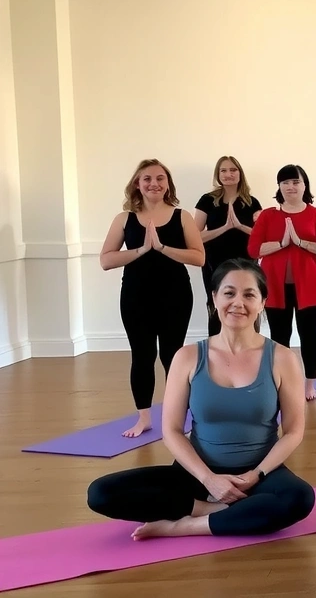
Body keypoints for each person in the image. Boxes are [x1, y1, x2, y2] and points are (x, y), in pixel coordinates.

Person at [87, 259, 316, 540]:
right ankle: (209, 509)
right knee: (100, 493)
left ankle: (184, 526)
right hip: (196, 474)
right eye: (229, 293)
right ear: (214, 298)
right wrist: (209, 479)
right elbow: (171, 430)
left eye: (249, 295)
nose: (238, 303)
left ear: (262, 303)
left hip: (259, 476)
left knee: (300, 498)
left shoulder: (283, 358)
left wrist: (256, 474)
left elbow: (293, 432)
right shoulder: (188, 357)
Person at [99, 159, 206, 438]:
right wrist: (142, 250)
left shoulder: (182, 216)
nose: (154, 183)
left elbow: (199, 257)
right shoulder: (124, 219)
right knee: (142, 355)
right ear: (137, 183)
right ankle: (144, 418)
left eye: (160, 178)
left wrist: (161, 247)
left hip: (175, 295)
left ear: (168, 184)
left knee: (173, 355)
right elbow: (106, 260)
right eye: (147, 178)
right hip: (136, 296)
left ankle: (177, 417)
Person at [249, 164, 316, 401]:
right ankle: (281, 382)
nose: (290, 186)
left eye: (295, 182)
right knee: (279, 335)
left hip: (310, 284)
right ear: (279, 187)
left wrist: (300, 241)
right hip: (274, 285)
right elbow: (254, 249)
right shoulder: (268, 215)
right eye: (285, 182)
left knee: (309, 333)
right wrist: (282, 243)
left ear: (304, 185)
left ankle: (309, 385)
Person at [193, 156, 263, 336]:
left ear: (240, 173)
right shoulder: (207, 201)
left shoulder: (252, 202)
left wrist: (239, 226)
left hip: (246, 263)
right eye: (223, 170)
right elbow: (194, 237)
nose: (228, 174)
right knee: (217, 305)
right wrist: (224, 227)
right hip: (214, 264)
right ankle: (216, 348)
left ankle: (249, 347)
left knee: (247, 304)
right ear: (218, 174)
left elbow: (262, 237)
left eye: (233, 170)